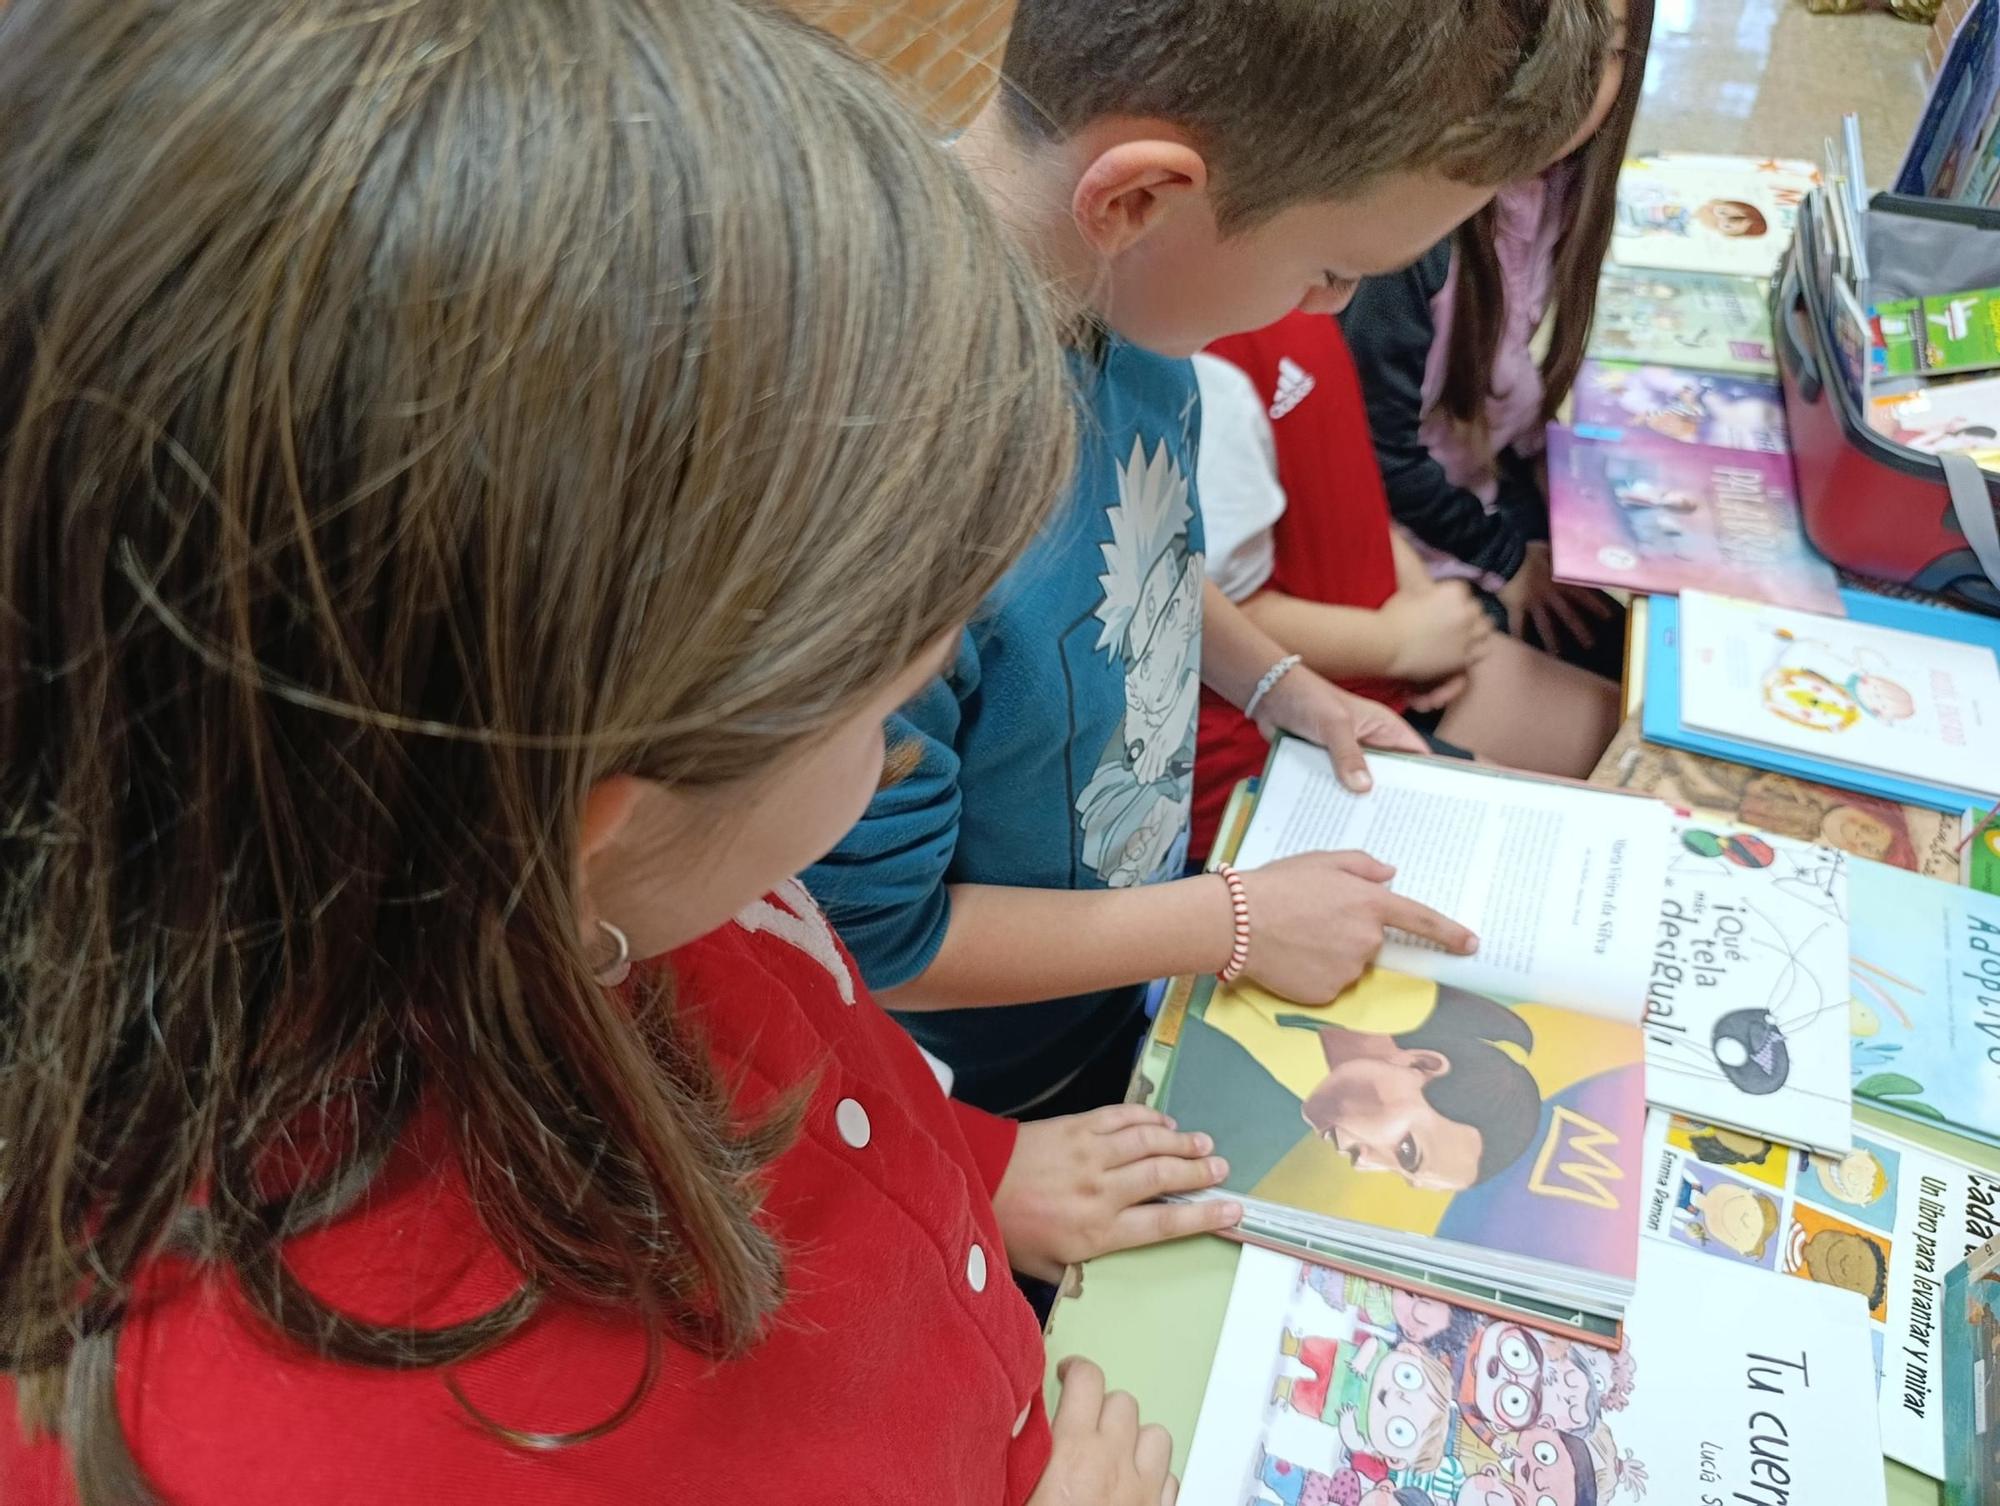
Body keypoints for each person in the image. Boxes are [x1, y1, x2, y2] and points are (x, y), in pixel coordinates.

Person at [0, 2, 1230, 1500]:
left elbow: (818, 1049)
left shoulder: (601, 877)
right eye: (877, 717)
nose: (902, 762)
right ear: (595, 811)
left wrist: (976, 1164)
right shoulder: (321, 1446)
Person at [803, 0, 1616, 1117]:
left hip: (1130, 916)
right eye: (1329, 268)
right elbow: (882, 936)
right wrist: (1225, 921)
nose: (1328, 312)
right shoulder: (889, 514)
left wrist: (1276, 682)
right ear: (1139, 199)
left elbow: (1140, 554)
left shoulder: (1124, 312)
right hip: (994, 1047)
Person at [1188, 313, 1620, 860]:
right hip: (1279, 737)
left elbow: (1345, 483)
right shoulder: (1203, 361)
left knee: (1630, 744)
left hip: (1384, 662)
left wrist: (1420, 606)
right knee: (1559, 851)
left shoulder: (1300, 298)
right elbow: (1206, 609)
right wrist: (1396, 644)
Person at [1340, 0, 1654, 682]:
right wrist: (1509, 558)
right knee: (1610, 673)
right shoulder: (1409, 241)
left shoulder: (1558, 181)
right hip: (1414, 537)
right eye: (1534, 39)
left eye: (1603, 51)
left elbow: (1506, 360)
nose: (1559, 91)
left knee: (1648, 633)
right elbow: (1376, 457)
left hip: (1481, 477)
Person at [1170, 982, 1545, 1192]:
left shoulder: (1319, 1085)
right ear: (1423, 1064)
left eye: (1400, 1174)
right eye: (1407, 1150)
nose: (1364, 1164)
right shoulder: (1390, 989)